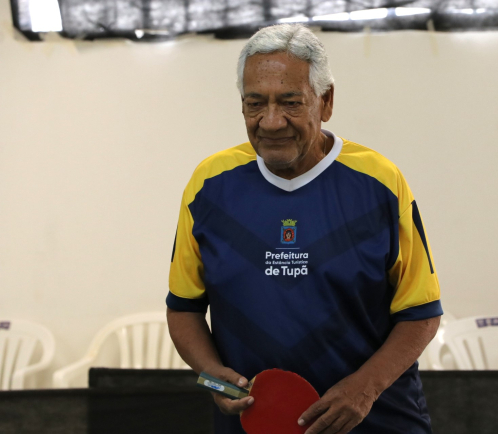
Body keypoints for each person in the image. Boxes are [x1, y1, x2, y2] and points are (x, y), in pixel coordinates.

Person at [165, 24, 442, 434]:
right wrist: (212, 376)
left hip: (378, 423)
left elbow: (421, 314)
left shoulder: (380, 183)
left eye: (290, 102)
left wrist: (364, 389)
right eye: (255, 104)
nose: (271, 121)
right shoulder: (209, 184)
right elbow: (183, 308)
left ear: (326, 101)